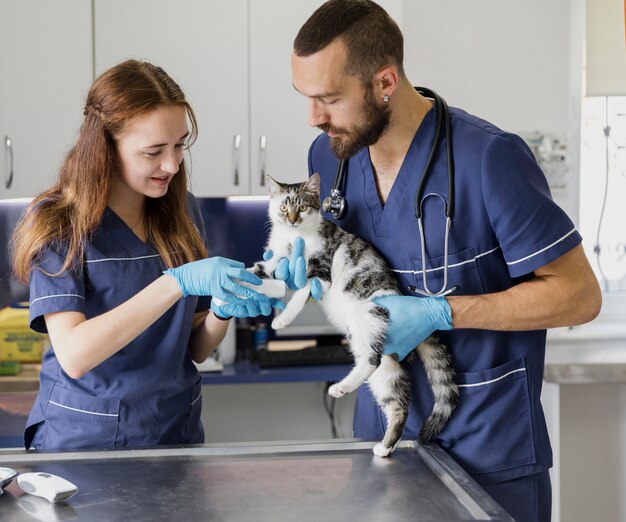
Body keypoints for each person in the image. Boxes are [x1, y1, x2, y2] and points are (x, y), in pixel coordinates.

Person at [285, 1, 602, 520]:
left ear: (385, 81)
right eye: (306, 98)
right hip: (384, 435)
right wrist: (310, 272)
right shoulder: (330, 157)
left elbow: (580, 295)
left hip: (486, 445)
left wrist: (441, 313)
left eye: (329, 99)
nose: (314, 119)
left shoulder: (489, 159)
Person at [11, 60, 277, 451]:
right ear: (105, 148)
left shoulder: (181, 211)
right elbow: (75, 355)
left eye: (179, 145)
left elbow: (196, 349)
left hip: (173, 434)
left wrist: (222, 309)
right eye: (154, 151)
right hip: (84, 444)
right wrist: (176, 282)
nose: (171, 164)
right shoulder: (60, 222)